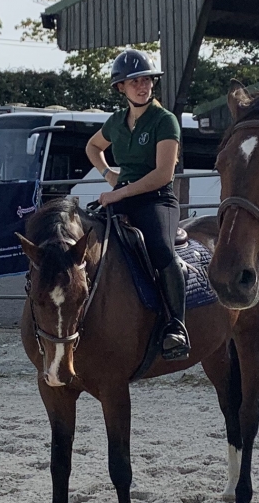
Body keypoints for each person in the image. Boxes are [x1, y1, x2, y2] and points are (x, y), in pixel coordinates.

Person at [85, 48, 191, 361]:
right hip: (122, 194)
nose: (142, 86)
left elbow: (162, 174)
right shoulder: (116, 122)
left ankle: (177, 325)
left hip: (156, 198)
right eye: (134, 82)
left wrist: (119, 192)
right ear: (121, 88)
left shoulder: (165, 120)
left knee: (160, 247)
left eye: (146, 80)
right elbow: (92, 146)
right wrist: (108, 174)